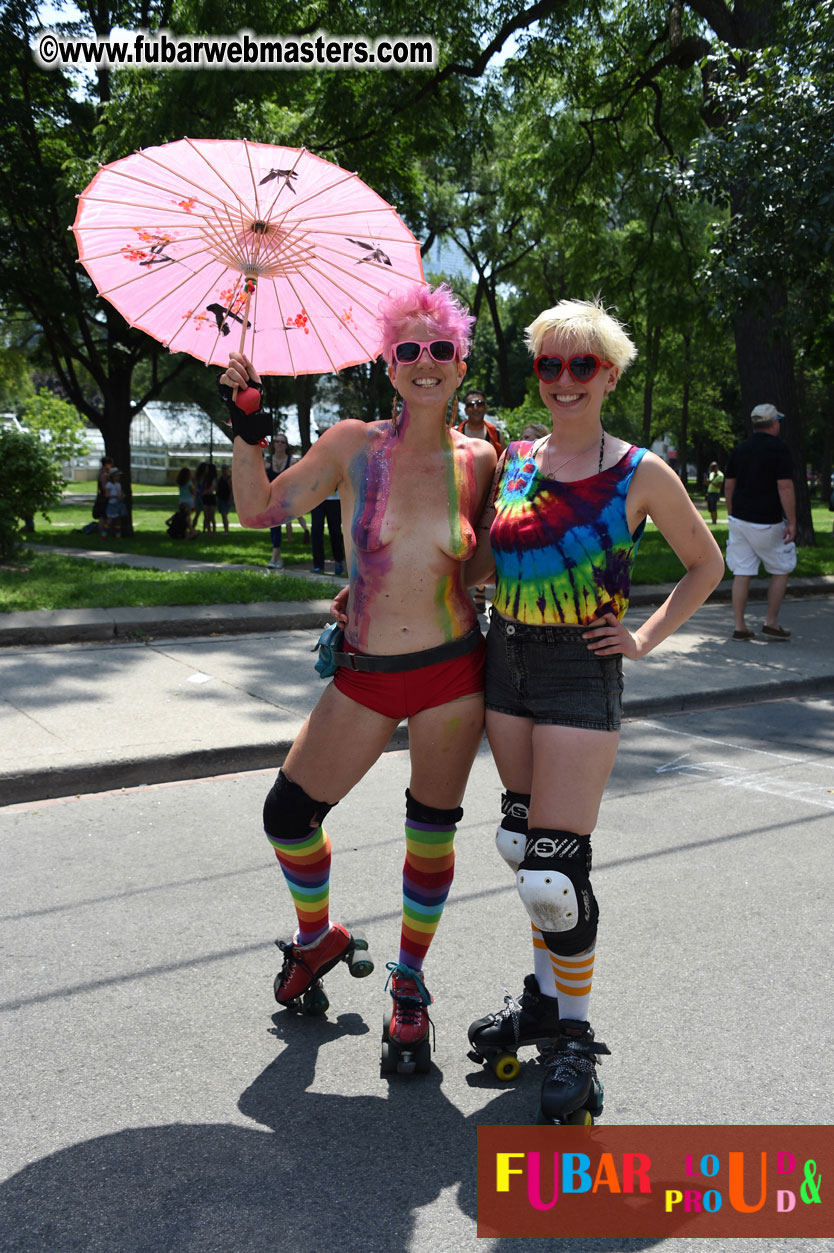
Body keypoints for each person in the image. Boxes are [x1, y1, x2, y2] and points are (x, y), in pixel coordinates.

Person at [219, 283, 496, 1067]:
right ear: (388, 364)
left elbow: (477, 569)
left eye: (440, 349)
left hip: (451, 674)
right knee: (287, 815)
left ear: (461, 362)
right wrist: (247, 425)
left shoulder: (481, 459)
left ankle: (409, 984)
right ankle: (320, 937)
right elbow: (258, 511)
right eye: (408, 350)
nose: (425, 363)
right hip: (365, 673)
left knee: (429, 832)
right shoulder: (351, 444)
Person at [463, 298, 724, 1124]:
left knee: (554, 872)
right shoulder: (514, 461)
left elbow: (704, 564)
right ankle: (545, 1001)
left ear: (609, 374)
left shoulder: (641, 471)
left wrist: (642, 638)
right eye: (550, 365)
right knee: (521, 847)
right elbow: (486, 563)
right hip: (506, 662)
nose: (564, 380)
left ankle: (574, 1037)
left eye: (582, 365)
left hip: (582, 668)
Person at [724, 403, 796, 641]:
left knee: (742, 571)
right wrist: (792, 521)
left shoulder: (740, 449)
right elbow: (784, 486)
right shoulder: (780, 450)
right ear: (774, 423)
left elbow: (729, 484)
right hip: (768, 521)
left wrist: (732, 511)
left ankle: (739, 626)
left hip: (740, 519)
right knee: (781, 567)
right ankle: (771, 622)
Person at [455, 390, 504, 612]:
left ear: (485, 407)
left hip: (488, 496)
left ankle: (480, 592)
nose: (475, 407)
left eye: (480, 403)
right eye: (471, 404)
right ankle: (465, 590)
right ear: (465, 409)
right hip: (461, 494)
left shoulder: (495, 434)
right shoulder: (456, 432)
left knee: (484, 542)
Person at [309, 431, 346, 576]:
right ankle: (318, 565)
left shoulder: (339, 457)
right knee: (316, 531)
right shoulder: (313, 456)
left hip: (334, 500)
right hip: (318, 500)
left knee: (335, 532)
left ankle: (338, 561)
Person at [265, 436, 295, 569]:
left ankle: (274, 557)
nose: (279, 444)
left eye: (282, 442)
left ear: (286, 445)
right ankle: (277, 556)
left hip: (286, 499)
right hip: (271, 499)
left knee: (277, 525)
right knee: (274, 526)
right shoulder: (267, 461)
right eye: (277, 441)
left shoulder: (292, 461)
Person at [704, 461, 724, 526]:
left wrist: (711, 482)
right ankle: (712, 520)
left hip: (715, 493)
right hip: (709, 492)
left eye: (712, 468)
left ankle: (715, 521)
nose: (711, 469)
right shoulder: (711, 474)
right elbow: (708, 483)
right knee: (710, 508)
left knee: (714, 507)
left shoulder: (720, 475)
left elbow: (720, 486)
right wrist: (706, 481)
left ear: (716, 467)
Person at [201, 462, 218, 534]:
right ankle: (209, 532)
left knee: (212, 517)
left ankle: (213, 532)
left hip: (211, 497)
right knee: (206, 516)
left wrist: (205, 492)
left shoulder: (214, 479)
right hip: (205, 497)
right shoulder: (205, 478)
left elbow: (212, 489)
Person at [216, 464, 233, 532]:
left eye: (225, 469)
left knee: (224, 515)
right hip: (221, 498)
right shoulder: (220, 478)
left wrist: (229, 499)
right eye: (223, 469)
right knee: (223, 515)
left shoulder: (229, 479)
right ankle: (225, 530)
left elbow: (232, 490)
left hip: (226, 499)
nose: (223, 470)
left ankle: (226, 530)